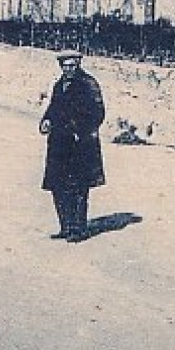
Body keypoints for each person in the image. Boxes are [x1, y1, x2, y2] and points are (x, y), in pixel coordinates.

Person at [39, 49, 106, 242]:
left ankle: (79, 229)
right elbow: (53, 107)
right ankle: (66, 227)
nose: (69, 69)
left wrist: (81, 130)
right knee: (58, 185)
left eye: (72, 65)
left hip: (80, 144)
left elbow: (98, 112)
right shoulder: (59, 85)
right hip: (59, 143)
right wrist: (46, 121)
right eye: (65, 65)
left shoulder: (88, 84)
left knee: (78, 186)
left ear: (78, 64)